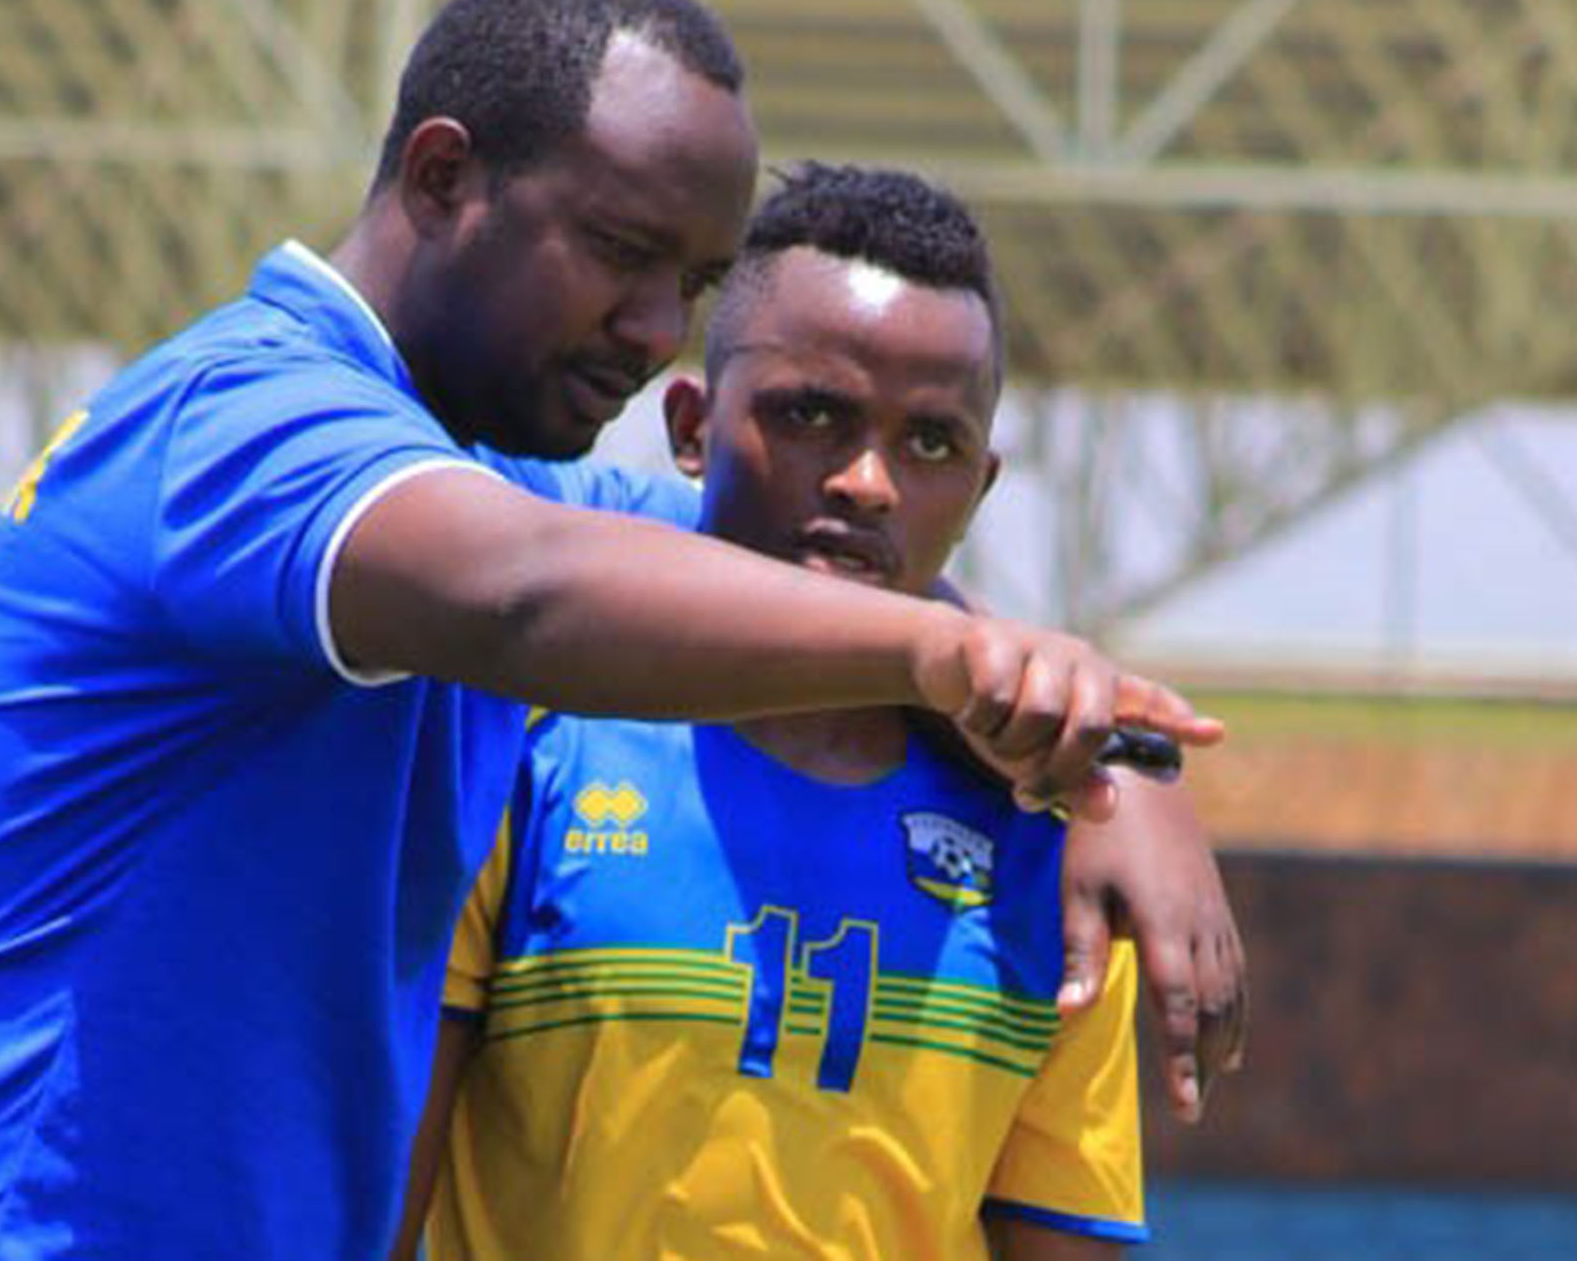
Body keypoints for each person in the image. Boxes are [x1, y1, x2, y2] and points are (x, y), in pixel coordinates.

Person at [0, 0, 1229, 1260]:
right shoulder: (246, 426)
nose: (653, 335)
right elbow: (527, 603)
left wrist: (1105, 764)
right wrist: (954, 658)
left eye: (695, 283)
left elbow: (803, 569)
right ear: (444, 175)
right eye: (624, 254)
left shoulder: (485, 485)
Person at [396, 163, 1177, 1260]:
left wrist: (1132, 794)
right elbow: (375, 1193)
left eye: (931, 443)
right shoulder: (526, 744)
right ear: (690, 426)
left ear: (982, 485)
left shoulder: (1050, 852)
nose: (867, 479)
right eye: (814, 414)